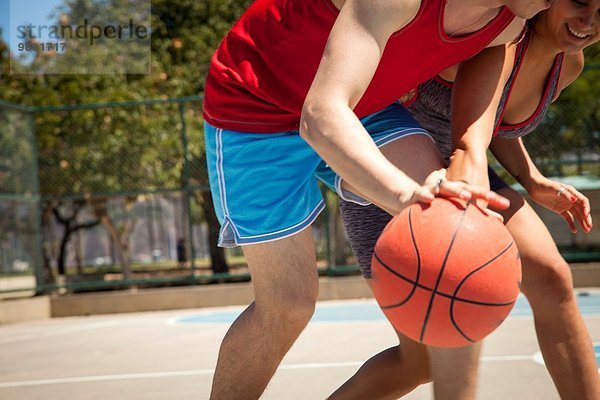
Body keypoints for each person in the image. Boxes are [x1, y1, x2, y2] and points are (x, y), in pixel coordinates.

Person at [202, 0, 554, 399]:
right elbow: (320, 114)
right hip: (255, 109)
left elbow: (492, 55)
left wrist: (472, 152)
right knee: (287, 307)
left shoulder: (510, 21)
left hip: (363, 106)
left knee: (452, 234)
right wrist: (406, 193)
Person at [333, 1, 600, 399]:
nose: (589, 21)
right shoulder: (499, 35)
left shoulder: (569, 63)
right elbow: (468, 144)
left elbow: (496, 124)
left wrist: (532, 178)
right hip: (391, 176)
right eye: (579, 2)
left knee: (551, 277)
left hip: (462, 168)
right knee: (421, 360)